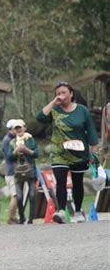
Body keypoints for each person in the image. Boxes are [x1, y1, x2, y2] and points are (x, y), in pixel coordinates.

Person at [36, 81, 98, 223]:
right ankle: (62, 211)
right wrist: (53, 102)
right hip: (60, 153)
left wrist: (94, 153)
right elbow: (40, 117)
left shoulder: (82, 111)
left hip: (79, 153)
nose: (61, 96)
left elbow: (92, 132)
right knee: (61, 180)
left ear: (71, 94)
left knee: (77, 182)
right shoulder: (55, 110)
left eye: (64, 92)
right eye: (58, 93)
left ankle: (77, 211)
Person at [7, 119, 39, 224]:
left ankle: (31, 219)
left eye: (20, 127)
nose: (18, 130)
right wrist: (16, 151)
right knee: (19, 197)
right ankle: (22, 218)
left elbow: (36, 154)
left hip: (31, 171)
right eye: (16, 128)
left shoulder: (30, 139)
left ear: (24, 128)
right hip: (18, 173)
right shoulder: (12, 142)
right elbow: (9, 157)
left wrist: (26, 150)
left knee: (32, 195)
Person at [2, 119, 18, 224]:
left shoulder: (11, 139)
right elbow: (9, 156)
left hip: (11, 171)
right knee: (15, 195)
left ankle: (14, 216)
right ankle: (11, 218)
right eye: (15, 128)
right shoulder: (7, 140)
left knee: (16, 195)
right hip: (11, 171)